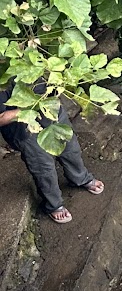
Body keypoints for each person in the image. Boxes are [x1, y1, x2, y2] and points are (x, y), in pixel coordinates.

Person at [0, 89, 104, 224]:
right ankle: (53, 205)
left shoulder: (40, 67)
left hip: (52, 111)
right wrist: (30, 108)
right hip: (23, 127)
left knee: (71, 148)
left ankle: (80, 178)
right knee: (43, 167)